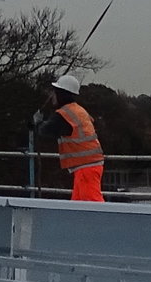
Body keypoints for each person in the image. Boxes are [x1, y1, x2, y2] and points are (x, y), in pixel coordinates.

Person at [40, 71, 104, 201]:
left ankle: (107, 222)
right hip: (87, 166)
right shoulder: (77, 110)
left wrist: (37, 123)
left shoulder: (64, 114)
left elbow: (45, 130)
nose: (52, 96)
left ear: (61, 93)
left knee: (93, 204)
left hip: (86, 167)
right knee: (78, 205)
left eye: (54, 92)